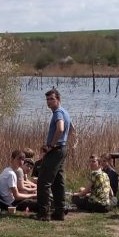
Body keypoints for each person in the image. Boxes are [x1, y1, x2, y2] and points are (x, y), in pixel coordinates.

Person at [35, 88, 71, 222]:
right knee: (58, 182)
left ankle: (44, 213)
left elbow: (60, 128)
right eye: (47, 99)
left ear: (58, 100)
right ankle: (59, 212)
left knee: (43, 182)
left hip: (56, 150)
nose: (49, 102)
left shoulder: (58, 113)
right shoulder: (65, 112)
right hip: (62, 148)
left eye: (52, 99)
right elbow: (70, 129)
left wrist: (51, 145)